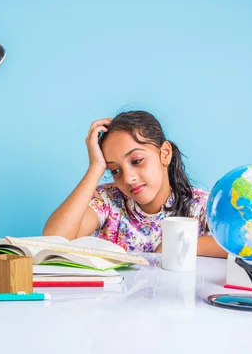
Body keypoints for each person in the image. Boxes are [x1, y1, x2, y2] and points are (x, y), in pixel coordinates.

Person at [43, 110, 227, 258]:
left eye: (137, 161)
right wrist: (96, 168)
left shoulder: (199, 207)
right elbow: (53, 242)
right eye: (115, 171)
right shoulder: (107, 202)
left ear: (165, 153)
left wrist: (172, 245)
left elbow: (249, 247)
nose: (128, 178)